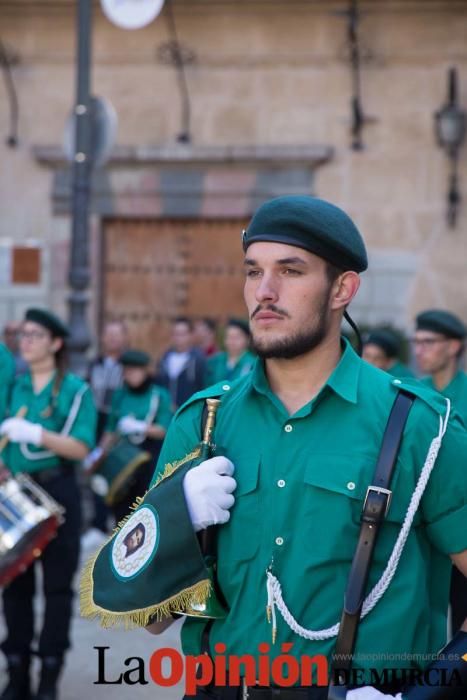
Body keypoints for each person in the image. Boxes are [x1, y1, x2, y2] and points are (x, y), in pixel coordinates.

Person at [146, 196, 467, 700]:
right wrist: (175, 520)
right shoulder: (203, 421)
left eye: (290, 271)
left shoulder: (418, 426)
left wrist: (426, 693)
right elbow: (152, 619)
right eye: (253, 272)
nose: (264, 292)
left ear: (343, 288)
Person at [0, 308, 97, 700]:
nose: (26, 341)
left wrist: (36, 432)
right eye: (23, 334)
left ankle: (49, 675)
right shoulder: (15, 386)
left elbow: (80, 447)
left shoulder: (75, 389)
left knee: (57, 589)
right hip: (18, 492)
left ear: (56, 343)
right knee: (13, 584)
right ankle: (17, 671)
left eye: (35, 335)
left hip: (58, 491)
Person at [413, 308, 467, 635]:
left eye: (429, 342)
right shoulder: (414, 393)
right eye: (416, 342)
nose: (420, 350)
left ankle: (454, 676)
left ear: (454, 346)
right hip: (420, 528)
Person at [93, 349, 173, 523]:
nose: (131, 375)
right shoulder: (120, 395)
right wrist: (98, 453)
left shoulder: (158, 395)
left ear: (145, 371)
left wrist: (141, 427)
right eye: (127, 371)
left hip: (147, 458)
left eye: (135, 370)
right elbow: (110, 429)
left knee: (144, 507)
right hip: (122, 457)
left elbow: (165, 429)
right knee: (120, 507)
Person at [84, 320, 128, 540]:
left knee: (120, 471)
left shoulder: (129, 364)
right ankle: (98, 523)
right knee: (96, 470)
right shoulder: (94, 364)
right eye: (108, 334)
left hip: (120, 423)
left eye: (116, 334)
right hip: (97, 420)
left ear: (124, 338)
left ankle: (121, 522)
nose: (112, 338)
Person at [155, 317, 206, 410]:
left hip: (189, 412)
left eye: (183, 334)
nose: (179, 338)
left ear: (191, 335)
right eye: (176, 334)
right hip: (166, 413)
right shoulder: (164, 359)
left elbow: (203, 387)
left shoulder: (199, 360)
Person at [205, 318, 255, 386]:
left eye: (237, 337)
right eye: (229, 336)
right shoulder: (214, 361)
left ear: (248, 339)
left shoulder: (253, 364)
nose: (232, 341)